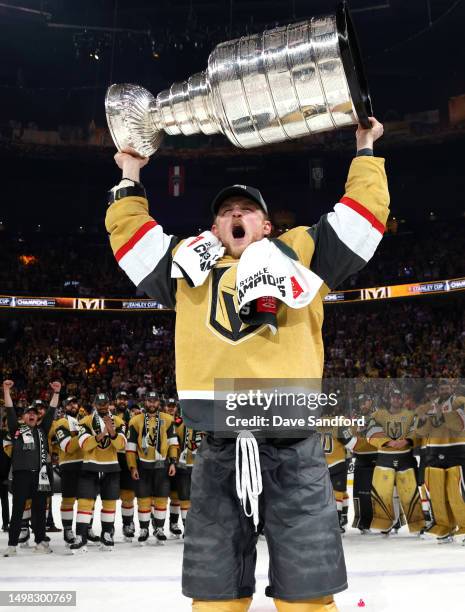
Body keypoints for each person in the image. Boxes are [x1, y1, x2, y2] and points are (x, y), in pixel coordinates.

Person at [106, 118, 389, 611]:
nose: (237, 216)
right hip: (219, 452)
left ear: (265, 224)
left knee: (308, 594)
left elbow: (363, 216)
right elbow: (132, 238)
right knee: (215, 596)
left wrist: (365, 148)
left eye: (248, 211)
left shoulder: (302, 251)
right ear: (214, 228)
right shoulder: (186, 264)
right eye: (227, 212)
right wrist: (130, 174)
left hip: (293, 451)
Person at [2, 379, 61, 557]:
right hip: (21, 476)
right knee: (18, 510)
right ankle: (12, 545)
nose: (32, 415)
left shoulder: (43, 429)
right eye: (28, 413)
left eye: (35, 414)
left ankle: (40, 542)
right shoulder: (16, 429)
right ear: (23, 418)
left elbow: (51, 411)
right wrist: (6, 390)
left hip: (40, 476)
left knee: (40, 511)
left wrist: (56, 393)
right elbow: (10, 409)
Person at [71, 392, 126, 552]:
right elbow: (84, 444)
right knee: (84, 503)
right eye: (99, 404)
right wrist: (103, 433)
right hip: (90, 466)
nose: (102, 406)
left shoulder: (119, 421)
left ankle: (107, 534)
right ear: (94, 404)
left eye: (105, 404)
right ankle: (81, 536)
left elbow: (121, 445)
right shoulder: (85, 421)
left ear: (109, 404)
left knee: (109, 503)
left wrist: (113, 432)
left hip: (111, 467)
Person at [366, 388, 424, 534]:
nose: (396, 400)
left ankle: (417, 524)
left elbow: (417, 431)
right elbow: (370, 430)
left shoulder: (411, 415)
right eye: (394, 397)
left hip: (406, 458)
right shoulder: (378, 414)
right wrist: (388, 442)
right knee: (381, 492)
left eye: (398, 397)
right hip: (384, 457)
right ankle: (383, 523)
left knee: (410, 491)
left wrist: (407, 440)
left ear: (402, 399)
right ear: (390, 398)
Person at [415, 380, 465, 543]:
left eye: (447, 387)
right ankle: (444, 526)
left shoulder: (459, 401)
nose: (444, 390)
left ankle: (464, 526)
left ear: (452, 388)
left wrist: (440, 415)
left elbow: (460, 425)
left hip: (457, 451)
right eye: (441, 388)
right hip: (434, 452)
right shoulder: (430, 406)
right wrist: (422, 419)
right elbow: (420, 431)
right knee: (437, 493)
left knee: (457, 491)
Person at [126, 390, 178, 544]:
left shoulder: (168, 420)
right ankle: (144, 529)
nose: (152, 404)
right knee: (143, 499)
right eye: (149, 401)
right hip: (142, 465)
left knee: (161, 498)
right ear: (145, 402)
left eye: (155, 401)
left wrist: (173, 462)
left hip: (162, 465)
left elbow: (173, 443)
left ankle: (160, 528)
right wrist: (132, 467)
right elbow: (130, 447)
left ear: (158, 403)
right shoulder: (135, 420)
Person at [52, 395, 83, 545]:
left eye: (75, 404)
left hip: (85, 465)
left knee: (87, 500)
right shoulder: (61, 422)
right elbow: (67, 446)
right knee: (68, 500)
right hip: (69, 465)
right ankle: (68, 529)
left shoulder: (83, 421)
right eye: (70, 404)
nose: (73, 406)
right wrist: (84, 436)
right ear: (65, 407)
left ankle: (86, 528)